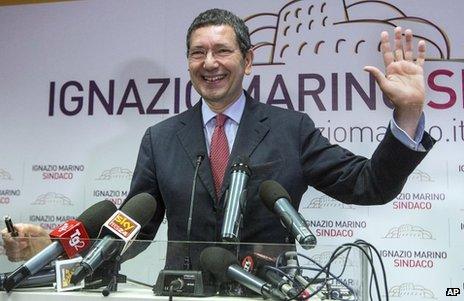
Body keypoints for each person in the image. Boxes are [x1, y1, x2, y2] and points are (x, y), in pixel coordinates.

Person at [2, 9, 434, 271]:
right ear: (188, 63)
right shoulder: (161, 137)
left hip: (266, 290)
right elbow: (136, 227)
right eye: (197, 52)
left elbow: (368, 185)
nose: (209, 62)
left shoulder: (290, 128)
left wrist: (408, 114)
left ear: (247, 61)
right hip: (181, 292)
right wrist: (55, 247)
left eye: (222, 51)